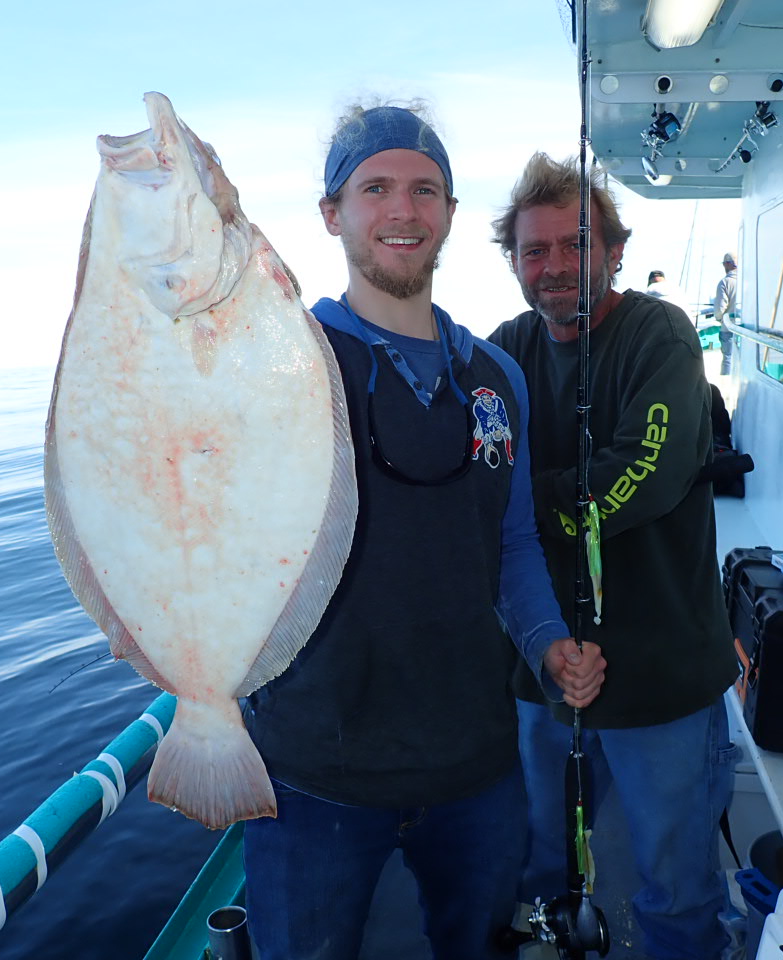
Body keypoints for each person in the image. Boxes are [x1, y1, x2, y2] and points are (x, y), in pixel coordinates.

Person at [240, 107, 606, 960]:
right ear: (333, 213)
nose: (401, 210)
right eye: (375, 188)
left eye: (423, 189)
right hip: (313, 771)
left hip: (477, 765)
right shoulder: (284, 363)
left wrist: (550, 643)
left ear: (446, 211)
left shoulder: (498, 377)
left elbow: (512, 544)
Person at [488, 152, 738, 960]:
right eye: (535, 250)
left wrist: (518, 506)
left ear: (616, 251)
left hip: (660, 674)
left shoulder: (659, 332)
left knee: (676, 882)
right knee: (538, 858)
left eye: (576, 245)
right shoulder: (500, 353)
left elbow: (647, 474)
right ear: (514, 261)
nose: (555, 266)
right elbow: (460, 473)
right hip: (540, 671)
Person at [715, 252, 740, 375]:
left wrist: (719, 318)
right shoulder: (747, 281)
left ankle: (727, 386)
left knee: (728, 359)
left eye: (724, 264)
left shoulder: (725, 282)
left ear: (728, 264)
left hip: (728, 327)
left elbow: (720, 308)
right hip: (746, 328)